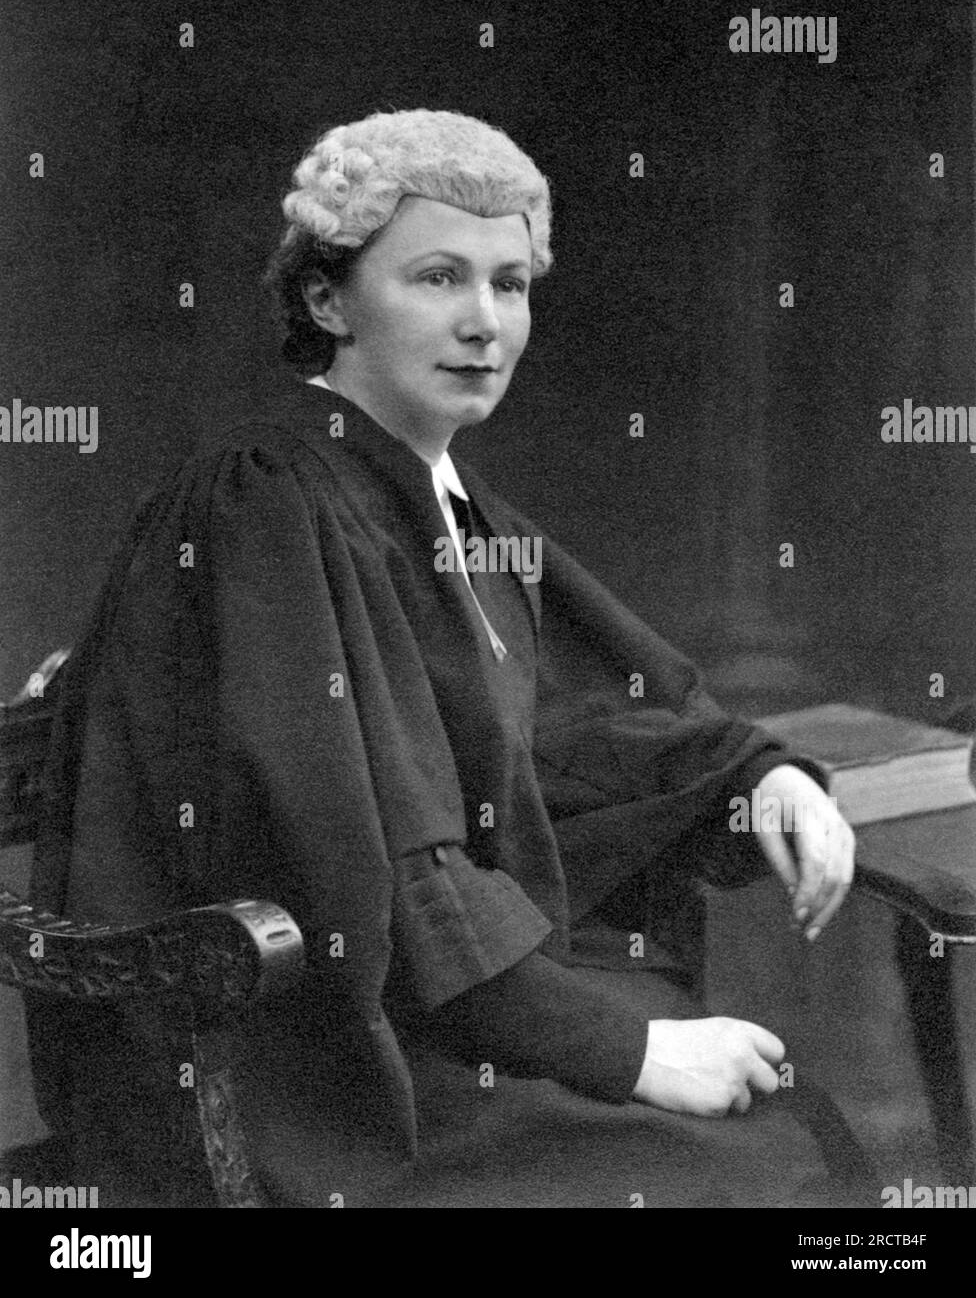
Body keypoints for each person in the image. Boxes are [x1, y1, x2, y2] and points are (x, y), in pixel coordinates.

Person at [29, 108, 863, 1208]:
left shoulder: (450, 513)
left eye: (508, 283)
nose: (483, 322)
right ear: (327, 301)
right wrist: (623, 1053)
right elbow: (356, 853)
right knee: (765, 1170)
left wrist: (760, 778)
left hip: (436, 1015)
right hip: (304, 1069)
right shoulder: (263, 499)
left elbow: (578, 733)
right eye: (435, 277)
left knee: (793, 1133)